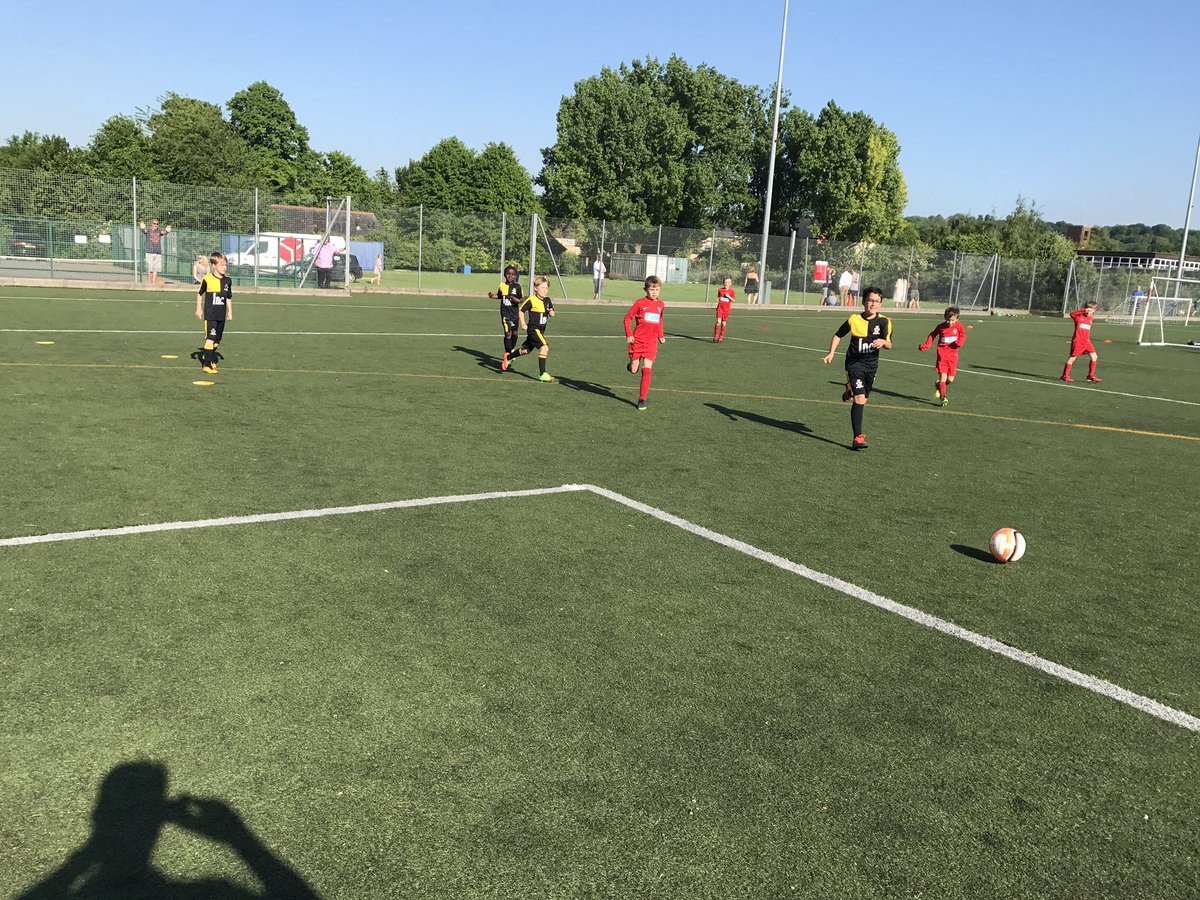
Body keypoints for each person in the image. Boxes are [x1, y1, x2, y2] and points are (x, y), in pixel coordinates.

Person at [823, 287, 893, 450]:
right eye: (870, 300)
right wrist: (831, 353)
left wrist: (883, 342)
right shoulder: (854, 319)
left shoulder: (884, 322)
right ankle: (858, 437)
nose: (873, 304)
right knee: (860, 399)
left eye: (876, 301)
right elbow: (838, 335)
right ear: (863, 302)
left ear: (881, 303)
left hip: (871, 366)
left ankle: (849, 390)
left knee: (863, 399)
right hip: (854, 364)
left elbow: (889, 344)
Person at [624, 275, 666, 411]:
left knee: (647, 370)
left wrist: (660, 335)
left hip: (651, 343)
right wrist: (629, 334)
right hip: (638, 341)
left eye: (657, 289)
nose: (654, 292)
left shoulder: (661, 304)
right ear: (646, 289)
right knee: (634, 369)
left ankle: (642, 399)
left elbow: (659, 320)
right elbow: (627, 318)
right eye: (652, 289)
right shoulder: (640, 303)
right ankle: (631, 365)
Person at [503, 274, 555, 381]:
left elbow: (550, 310)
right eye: (542, 287)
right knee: (544, 348)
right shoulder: (532, 300)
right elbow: (521, 311)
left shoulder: (547, 300)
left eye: (547, 288)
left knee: (526, 350)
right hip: (533, 330)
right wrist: (523, 324)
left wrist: (551, 312)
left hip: (541, 331)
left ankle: (508, 357)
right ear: (536, 288)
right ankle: (542, 374)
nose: (545, 290)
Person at [919, 306, 966, 406]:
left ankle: (939, 385)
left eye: (953, 320)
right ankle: (943, 397)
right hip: (942, 356)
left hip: (953, 356)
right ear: (945, 318)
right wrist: (926, 345)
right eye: (948, 320)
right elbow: (932, 335)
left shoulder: (959, 326)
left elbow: (963, 335)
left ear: (957, 319)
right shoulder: (940, 327)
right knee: (943, 377)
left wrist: (959, 342)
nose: (950, 322)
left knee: (950, 379)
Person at [195, 251, 232, 375]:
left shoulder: (228, 281)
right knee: (210, 338)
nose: (224, 267)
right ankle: (206, 365)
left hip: (221, 315)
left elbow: (228, 297)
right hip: (210, 315)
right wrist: (199, 309)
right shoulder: (207, 279)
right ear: (214, 265)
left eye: (226, 265)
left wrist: (230, 312)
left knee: (217, 340)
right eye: (222, 265)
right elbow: (200, 294)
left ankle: (209, 357)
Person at [489, 265, 523, 369]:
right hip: (505, 314)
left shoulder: (517, 287)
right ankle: (507, 354)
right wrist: (492, 295)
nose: (510, 276)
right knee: (508, 333)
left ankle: (511, 351)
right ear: (505, 275)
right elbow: (499, 296)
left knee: (515, 334)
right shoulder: (502, 285)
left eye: (513, 274)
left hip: (514, 314)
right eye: (508, 274)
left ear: (515, 275)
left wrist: (518, 300)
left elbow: (521, 299)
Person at [1061, 299, 1101, 383]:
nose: (1089, 311)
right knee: (1072, 358)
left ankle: (1090, 376)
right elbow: (1072, 314)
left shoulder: (1090, 318)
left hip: (1087, 341)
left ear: (1094, 310)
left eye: (1092, 309)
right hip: (1078, 341)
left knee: (1094, 357)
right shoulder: (1078, 317)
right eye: (1088, 309)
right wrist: (1083, 310)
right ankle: (1065, 376)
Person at [139, 219, 171, 286]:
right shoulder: (148, 230)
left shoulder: (159, 231)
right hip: (149, 251)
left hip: (157, 252)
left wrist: (167, 231)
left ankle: (153, 283)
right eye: (154, 223)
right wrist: (142, 227)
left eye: (157, 224)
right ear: (151, 224)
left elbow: (163, 232)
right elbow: (144, 230)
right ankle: (149, 282)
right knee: (150, 268)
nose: (155, 225)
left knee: (156, 268)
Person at [713, 276, 735, 342]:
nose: (726, 284)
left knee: (723, 323)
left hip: (726, 310)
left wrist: (728, 296)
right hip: (720, 308)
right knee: (718, 322)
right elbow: (719, 297)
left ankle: (721, 336)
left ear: (731, 283)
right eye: (725, 282)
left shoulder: (731, 291)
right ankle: (716, 336)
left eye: (728, 282)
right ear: (723, 282)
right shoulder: (720, 290)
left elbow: (733, 300)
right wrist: (719, 298)